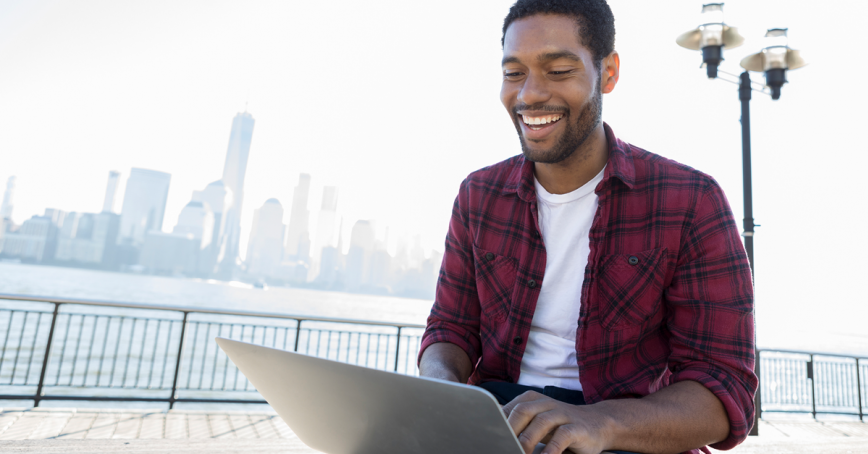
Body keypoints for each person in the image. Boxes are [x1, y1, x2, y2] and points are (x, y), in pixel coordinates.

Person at [417, 1, 758, 454]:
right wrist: (438, 392)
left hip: (626, 434)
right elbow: (451, 329)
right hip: (499, 423)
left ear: (608, 73)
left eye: (558, 71)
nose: (529, 95)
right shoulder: (478, 195)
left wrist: (599, 423)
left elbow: (723, 391)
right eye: (514, 73)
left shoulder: (691, 200)